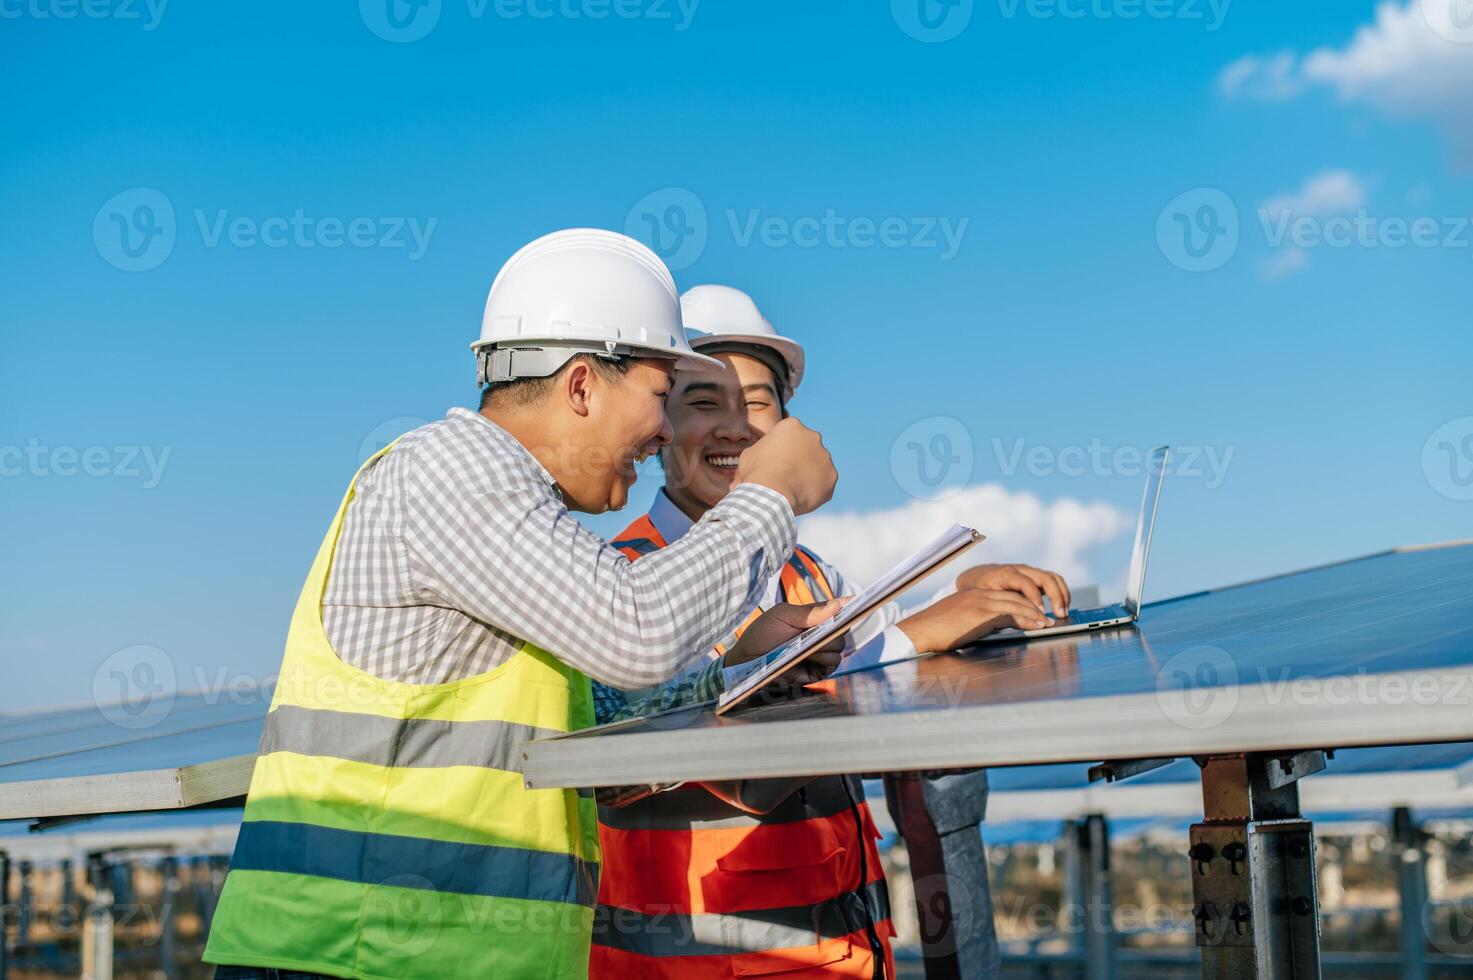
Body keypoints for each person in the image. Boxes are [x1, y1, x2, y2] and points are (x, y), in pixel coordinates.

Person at [203, 232, 843, 980]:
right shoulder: (445, 470)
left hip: (425, 956)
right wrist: (769, 495)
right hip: (354, 953)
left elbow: (590, 713)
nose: (665, 431)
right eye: (660, 397)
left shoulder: (510, 516)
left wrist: (740, 662)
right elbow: (638, 632)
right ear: (580, 385)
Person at [590, 283, 1072, 978]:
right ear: (658, 427)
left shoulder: (810, 573)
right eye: (702, 402)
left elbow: (872, 641)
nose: (735, 427)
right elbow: (703, 715)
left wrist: (960, 593)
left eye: (757, 402)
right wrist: (923, 630)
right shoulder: (626, 582)